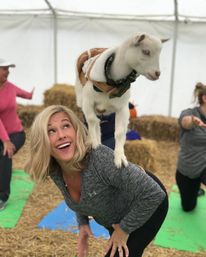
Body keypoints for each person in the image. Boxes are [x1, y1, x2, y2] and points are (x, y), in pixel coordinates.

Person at [25, 105, 168, 257]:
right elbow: (78, 196)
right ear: (42, 141)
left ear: (77, 130)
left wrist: (123, 230)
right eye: (51, 131)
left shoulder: (99, 159)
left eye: (66, 126)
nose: (61, 135)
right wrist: (83, 224)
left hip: (147, 202)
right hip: (116, 215)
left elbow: (153, 194)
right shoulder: (55, 168)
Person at [0, 58, 34, 211]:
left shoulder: (11, 87)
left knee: (5, 155)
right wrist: (5, 140)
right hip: (2, 135)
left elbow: (26, 95)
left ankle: (2, 197)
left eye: (8, 69)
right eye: (4, 68)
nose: (7, 72)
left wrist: (31, 94)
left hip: (16, 134)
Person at [176, 82, 206, 212]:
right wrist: (193, 120)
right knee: (188, 207)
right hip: (189, 169)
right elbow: (185, 122)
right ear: (204, 98)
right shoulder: (190, 113)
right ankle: (195, 190)